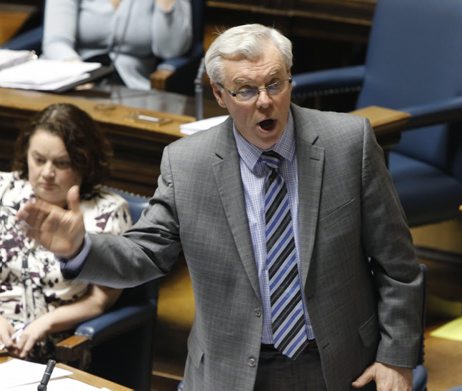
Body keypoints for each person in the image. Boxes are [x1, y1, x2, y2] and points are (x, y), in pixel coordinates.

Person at [18, 24, 424, 390]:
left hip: (338, 365)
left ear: (290, 81)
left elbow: (398, 265)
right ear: (219, 95)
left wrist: (398, 357)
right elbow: (143, 254)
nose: (265, 102)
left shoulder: (348, 143)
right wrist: (79, 248)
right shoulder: (187, 164)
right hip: (231, 371)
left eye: (275, 84)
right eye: (246, 90)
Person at [0, 103, 131, 363]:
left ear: (85, 163)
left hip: (51, 348)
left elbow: (99, 301)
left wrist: (45, 324)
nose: (47, 173)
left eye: (61, 163)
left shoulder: (107, 212)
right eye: (38, 159)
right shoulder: (4, 188)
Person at [42, 0, 193, 90]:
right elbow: (56, 42)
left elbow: (171, 50)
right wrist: (78, 75)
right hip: (73, 77)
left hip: (132, 86)